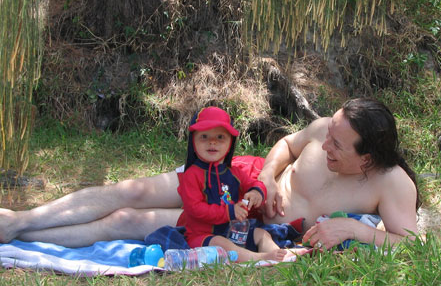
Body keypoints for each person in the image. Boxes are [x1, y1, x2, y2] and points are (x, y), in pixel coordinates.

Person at [0, 98, 419, 250]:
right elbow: (288, 145)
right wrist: (271, 176)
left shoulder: (392, 183)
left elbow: (409, 242)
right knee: (132, 192)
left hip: (245, 224)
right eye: (327, 135)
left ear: (366, 159)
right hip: (242, 177)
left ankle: (21, 236)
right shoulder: (330, 126)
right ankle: (16, 222)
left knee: (126, 222)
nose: (325, 144)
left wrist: (353, 231)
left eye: (336, 147)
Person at [178, 106, 296, 262]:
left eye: (220, 137)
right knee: (221, 244)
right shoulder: (191, 175)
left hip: (232, 230)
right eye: (204, 136)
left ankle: (280, 256)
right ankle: (259, 258)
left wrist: (256, 192)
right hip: (202, 236)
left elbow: (256, 183)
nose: (212, 142)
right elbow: (194, 209)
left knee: (261, 234)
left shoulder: (233, 172)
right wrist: (229, 212)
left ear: (230, 143)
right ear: (193, 142)